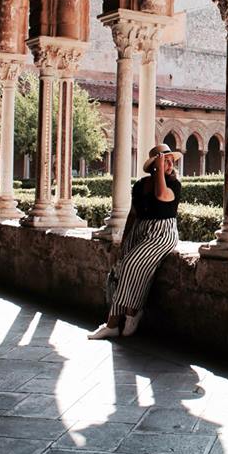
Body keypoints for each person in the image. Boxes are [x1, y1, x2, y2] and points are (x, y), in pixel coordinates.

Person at [88, 142, 182, 340]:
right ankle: (131, 311)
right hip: (140, 229)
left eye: (171, 161)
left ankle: (115, 321)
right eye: (166, 161)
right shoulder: (140, 185)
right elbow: (132, 214)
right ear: (155, 164)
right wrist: (123, 242)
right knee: (120, 267)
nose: (170, 165)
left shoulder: (174, 184)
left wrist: (160, 170)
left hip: (162, 234)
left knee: (132, 264)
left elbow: (160, 195)